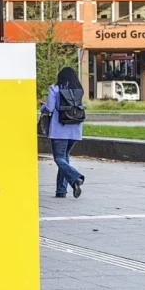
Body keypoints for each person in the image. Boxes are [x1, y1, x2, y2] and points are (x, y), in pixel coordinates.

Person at [41, 66, 87, 198]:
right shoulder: (79, 90)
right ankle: (61, 190)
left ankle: (75, 177)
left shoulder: (54, 89)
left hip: (59, 129)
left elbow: (49, 108)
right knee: (65, 158)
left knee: (59, 158)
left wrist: (43, 107)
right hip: (75, 129)